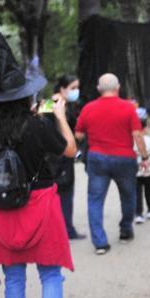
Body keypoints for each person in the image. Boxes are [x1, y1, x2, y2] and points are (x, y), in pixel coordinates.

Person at [0, 29, 78, 298]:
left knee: (14, 279)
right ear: (24, 97)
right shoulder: (36, 126)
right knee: (50, 274)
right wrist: (59, 117)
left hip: (5, 208)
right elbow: (70, 150)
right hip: (41, 203)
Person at [75, 73, 149, 255]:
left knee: (95, 200)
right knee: (128, 196)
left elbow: (78, 135)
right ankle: (125, 230)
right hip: (124, 158)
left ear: (99, 89)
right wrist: (145, 156)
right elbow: (137, 135)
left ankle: (100, 243)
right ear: (118, 88)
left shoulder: (88, 109)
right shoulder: (128, 108)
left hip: (97, 158)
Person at [49, 74, 83, 240]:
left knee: (61, 194)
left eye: (77, 87)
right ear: (62, 89)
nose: (76, 91)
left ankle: (64, 229)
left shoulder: (55, 104)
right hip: (60, 156)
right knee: (64, 195)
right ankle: (66, 230)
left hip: (58, 155)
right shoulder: (57, 105)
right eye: (73, 88)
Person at [134, 107, 150, 224]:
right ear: (145, 127)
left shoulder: (131, 140)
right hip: (149, 171)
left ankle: (138, 214)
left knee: (137, 192)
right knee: (149, 190)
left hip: (135, 171)